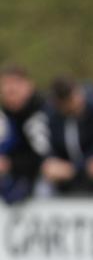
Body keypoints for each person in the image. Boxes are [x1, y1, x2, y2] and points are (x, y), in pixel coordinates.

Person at [42, 77, 93, 194]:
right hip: (64, 179)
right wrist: (52, 162)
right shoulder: (52, 117)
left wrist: (76, 168)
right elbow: (50, 146)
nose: (78, 101)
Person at [0, 66, 50, 203]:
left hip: (43, 182)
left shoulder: (42, 114)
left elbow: (43, 156)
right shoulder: (6, 117)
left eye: (15, 83)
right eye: (6, 85)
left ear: (29, 86)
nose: (10, 89)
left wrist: (10, 164)